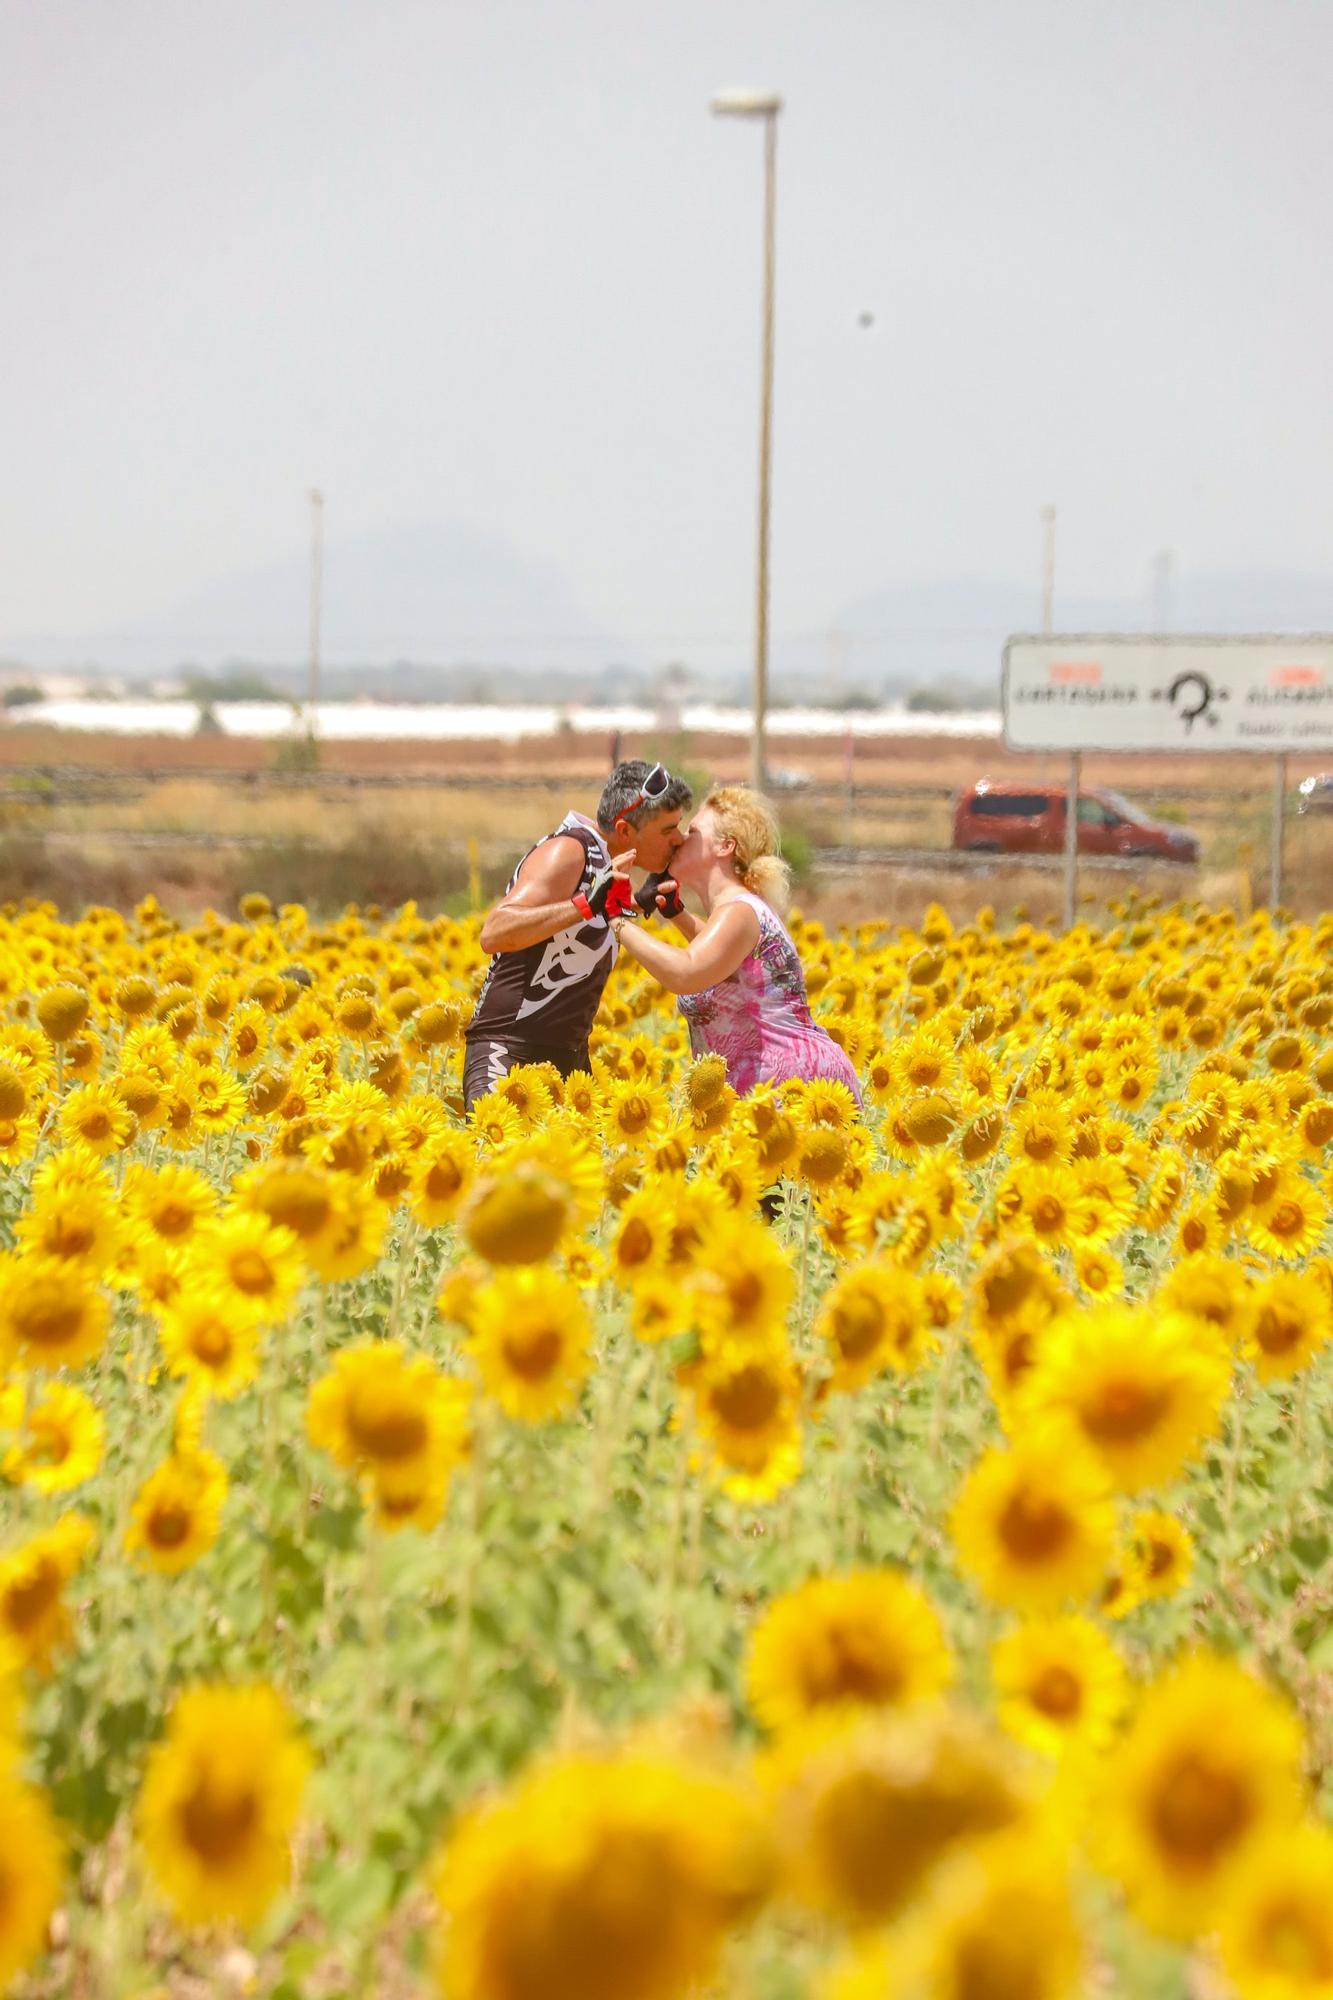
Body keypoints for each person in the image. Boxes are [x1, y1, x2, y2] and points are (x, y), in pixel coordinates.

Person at [462, 760, 692, 1107]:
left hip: (570, 1059)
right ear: (625, 831)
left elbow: (581, 929)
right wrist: (586, 904)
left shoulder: (607, 861)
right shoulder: (569, 852)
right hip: (507, 1051)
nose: (680, 838)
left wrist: (639, 903)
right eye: (667, 830)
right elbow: (495, 932)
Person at [609, 786, 861, 1100]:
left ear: (726, 846)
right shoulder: (738, 911)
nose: (680, 839)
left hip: (793, 1091)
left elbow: (686, 973)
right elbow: (730, 967)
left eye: (694, 831)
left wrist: (613, 917)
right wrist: (676, 914)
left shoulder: (739, 911)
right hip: (769, 1088)